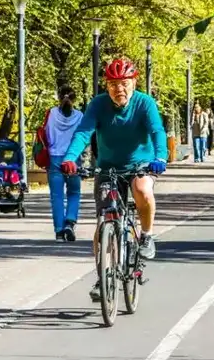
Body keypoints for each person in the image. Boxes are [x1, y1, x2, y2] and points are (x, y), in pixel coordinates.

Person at [59, 58, 168, 301]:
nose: (119, 89)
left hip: (141, 164)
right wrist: (70, 158)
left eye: (124, 83)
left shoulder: (144, 103)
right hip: (108, 167)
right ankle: (103, 275)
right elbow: (83, 132)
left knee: (142, 188)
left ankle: (147, 235)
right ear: (106, 86)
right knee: (104, 221)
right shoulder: (98, 105)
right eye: (112, 84)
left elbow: (157, 131)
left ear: (134, 83)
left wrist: (160, 156)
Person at [45, 85, 83, 241]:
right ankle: (70, 221)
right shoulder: (80, 116)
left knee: (57, 196)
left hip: (54, 157)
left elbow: (46, 134)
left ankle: (59, 231)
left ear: (58, 97)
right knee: (74, 192)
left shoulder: (51, 113)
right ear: (75, 99)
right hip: (73, 159)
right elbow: (83, 136)